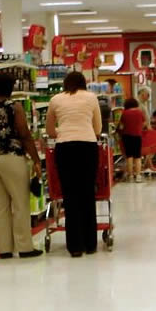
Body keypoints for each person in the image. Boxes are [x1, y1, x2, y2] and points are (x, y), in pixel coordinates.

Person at [0, 73, 44, 260]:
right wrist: (36, 159)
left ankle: (4, 249)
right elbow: (24, 134)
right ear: (9, 89)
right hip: (11, 157)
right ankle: (24, 247)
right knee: (20, 204)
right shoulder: (14, 107)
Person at [46, 71, 103, 257]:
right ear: (84, 83)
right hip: (87, 146)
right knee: (87, 194)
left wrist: (63, 133)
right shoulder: (91, 98)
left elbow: (49, 130)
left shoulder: (55, 100)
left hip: (65, 148)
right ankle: (90, 244)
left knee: (70, 197)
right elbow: (98, 129)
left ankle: (75, 247)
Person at [118, 97, 146, 183]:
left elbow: (121, 126)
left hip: (127, 136)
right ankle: (138, 176)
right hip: (137, 136)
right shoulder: (139, 112)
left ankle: (130, 176)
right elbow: (144, 123)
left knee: (129, 156)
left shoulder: (124, 113)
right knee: (137, 157)